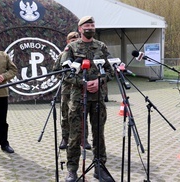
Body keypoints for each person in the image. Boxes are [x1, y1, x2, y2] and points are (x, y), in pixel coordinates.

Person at [60, 16, 114, 182]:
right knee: (75, 136)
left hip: (97, 98)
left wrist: (99, 81)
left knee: (99, 135)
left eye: (92, 25)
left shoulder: (101, 47)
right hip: (78, 99)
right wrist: (83, 83)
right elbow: (64, 73)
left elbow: (111, 70)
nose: (90, 27)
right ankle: (72, 170)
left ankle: (100, 168)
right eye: (87, 25)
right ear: (80, 28)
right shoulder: (71, 47)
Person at [53, 32, 91, 150]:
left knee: (82, 114)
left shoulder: (84, 55)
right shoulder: (62, 55)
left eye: (76, 38)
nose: (74, 40)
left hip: (81, 91)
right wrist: (68, 79)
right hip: (67, 90)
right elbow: (56, 71)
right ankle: (65, 138)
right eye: (72, 39)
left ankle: (83, 139)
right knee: (66, 115)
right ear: (67, 41)